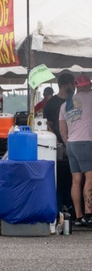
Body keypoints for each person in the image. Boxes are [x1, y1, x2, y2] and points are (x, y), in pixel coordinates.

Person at [60, 73, 92, 227]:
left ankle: (78, 217)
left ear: (75, 86)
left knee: (76, 181)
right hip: (85, 142)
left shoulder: (65, 104)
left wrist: (68, 144)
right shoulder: (90, 97)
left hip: (71, 144)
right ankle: (89, 215)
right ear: (88, 85)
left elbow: (62, 130)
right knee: (90, 178)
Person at [45, 72, 75, 219]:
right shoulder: (51, 103)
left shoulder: (75, 101)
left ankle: (73, 211)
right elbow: (47, 125)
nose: (74, 87)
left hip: (74, 144)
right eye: (73, 84)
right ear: (65, 85)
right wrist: (56, 140)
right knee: (60, 180)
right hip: (57, 148)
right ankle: (60, 212)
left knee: (74, 179)